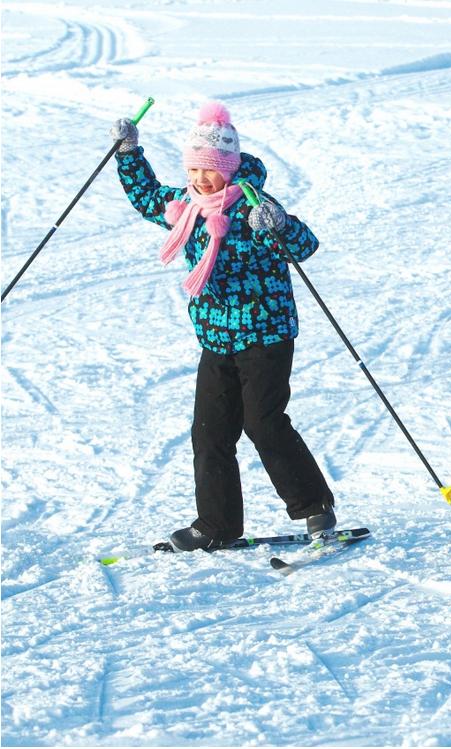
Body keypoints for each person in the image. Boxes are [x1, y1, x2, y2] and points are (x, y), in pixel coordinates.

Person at [111, 102, 336, 550]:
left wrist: (281, 226)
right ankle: (216, 524)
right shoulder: (186, 206)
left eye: (209, 171)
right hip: (216, 337)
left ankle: (315, 509)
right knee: (210, 432)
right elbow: (146, 196)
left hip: (265, 336)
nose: (199, 180)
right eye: (193, 170)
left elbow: (305, 247)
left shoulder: (254, 205)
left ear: (230, 169)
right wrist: (128, 154)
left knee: (264, 423)